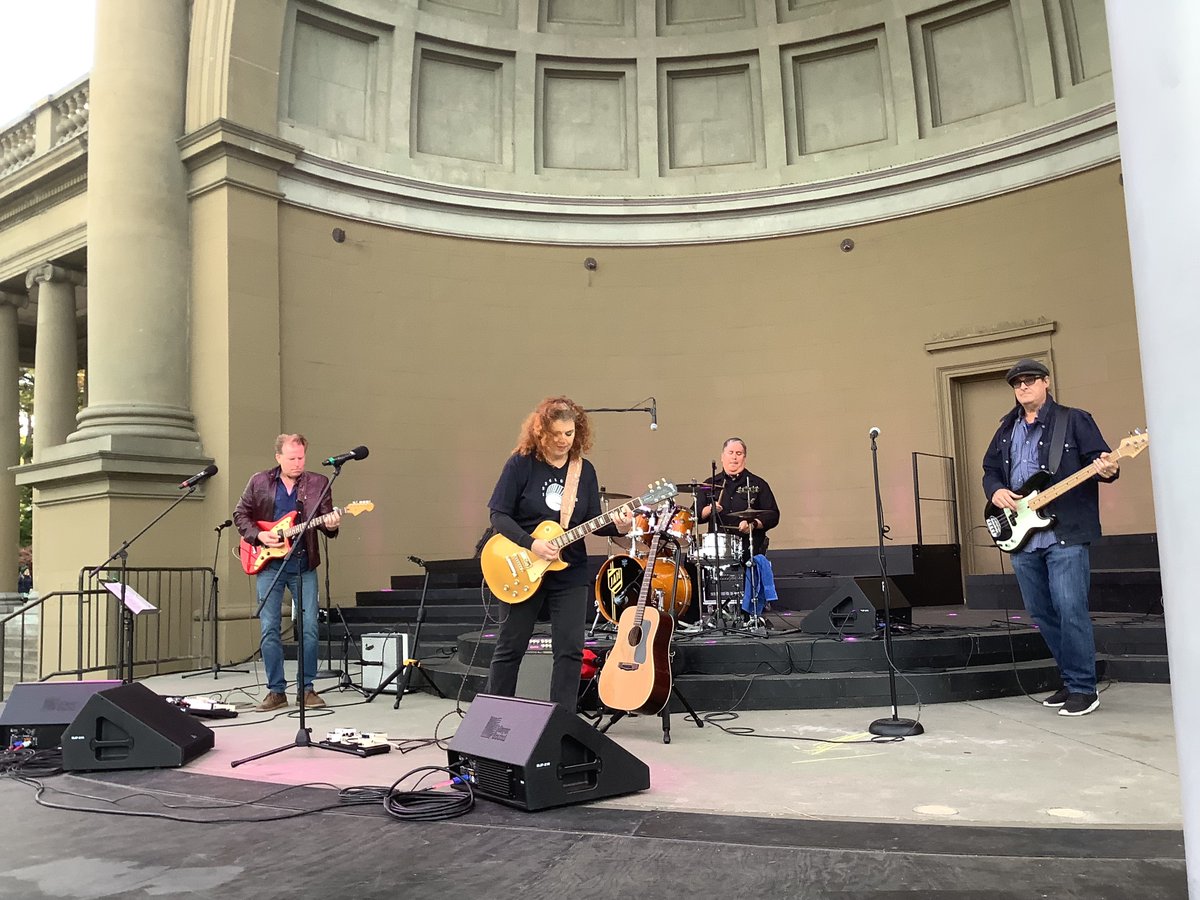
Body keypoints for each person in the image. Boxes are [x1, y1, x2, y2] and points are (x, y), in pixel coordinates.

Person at [982, 359, 1120, 717]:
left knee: (1070, 609)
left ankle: (1084, 688)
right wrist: (996, 490)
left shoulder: (1074, 420)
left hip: (1065, 533)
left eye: (1030, 380)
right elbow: (990, 469)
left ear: (1046, 382)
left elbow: (1101, 462)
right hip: (1023, 536)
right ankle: (1071, 680)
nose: (1023, 387)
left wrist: (1109, 467)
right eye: (1017, 383)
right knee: (1042, 613)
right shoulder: (1006, 428)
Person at [485, 396, 631, 711]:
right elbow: (498, 514)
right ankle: (494, 715)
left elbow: (593, 521)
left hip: (570, 571)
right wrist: (531, 543)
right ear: (541, 433)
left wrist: (619, 525)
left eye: (569, 433)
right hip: (523, 566)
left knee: (570, 651)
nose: (563, 440)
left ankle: (561, 722)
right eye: (556, 434)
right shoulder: (521, 464)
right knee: (510, 647)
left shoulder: (584, 471)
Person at [234, 433, 341, 712]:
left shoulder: (318, 483)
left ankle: (306, 689)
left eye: (301, 457)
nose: (297, 463)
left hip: (304, 565)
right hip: (270, 565)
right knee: (269, 627)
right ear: (278, 457)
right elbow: (240, 515)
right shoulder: (259, 481)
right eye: (292, 458)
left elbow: (325, 521)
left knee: (310, 628)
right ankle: (276, 691)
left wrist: (331, 524)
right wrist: (260, 535)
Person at [698, 438, 781, 616]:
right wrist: (708, 509)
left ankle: (748, 612)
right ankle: (705, 614)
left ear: (744, 457)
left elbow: (773, 515)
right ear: (722, 457)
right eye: (731, 453)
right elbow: (695, 515)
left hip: (747, 545)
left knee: (753, 561)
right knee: (693, 564)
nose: (734, 457)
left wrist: (753, 524)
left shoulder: (758, 484)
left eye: (739, 453)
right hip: (718, 548)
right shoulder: (709, 485)